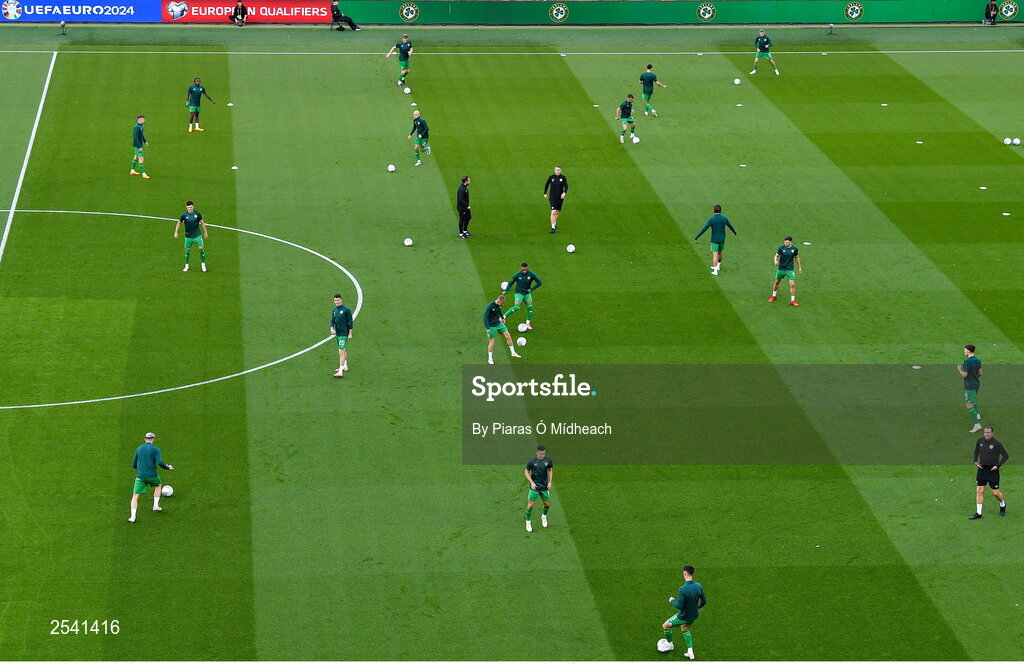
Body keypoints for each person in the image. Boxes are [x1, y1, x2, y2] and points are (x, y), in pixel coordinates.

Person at [658, 566, 706, 658]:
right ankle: (690, 652)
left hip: (683, 616)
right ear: (692, 573)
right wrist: (698, 607)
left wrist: (672, 600)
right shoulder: (698, 586)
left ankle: (669, 645)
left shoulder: (682, 589)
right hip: (694, 615)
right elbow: (704, 601)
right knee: (684, 628)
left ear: (685, 573)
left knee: (665, 626)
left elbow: (679, 606)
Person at [129, 433, 173, 523]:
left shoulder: (139, 449)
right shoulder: (155, 449)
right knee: (158, 485)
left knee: (135, 495)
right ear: (153, 439)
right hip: (153, 476)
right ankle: (155, 505)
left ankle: (132, 517)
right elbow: (160, 462)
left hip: (140, 477)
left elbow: (134, 465)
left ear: (145, 439)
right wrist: (168, 467)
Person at [969, 425, 1008, 519]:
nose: (987, 434)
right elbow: (976, 451)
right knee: (979, 490)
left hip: (992, 471)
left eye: (989, 432)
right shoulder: (980, 441)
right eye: (985, 432)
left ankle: (1002, 504)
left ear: (992, 433)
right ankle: (979, 513)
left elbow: (1006, 456)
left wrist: (997, 466)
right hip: (982, 469)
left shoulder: (997, 444)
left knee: (995, 493)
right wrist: (975, 461)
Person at [693, 205, 736, 275]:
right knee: (720, 253)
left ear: (714, 211)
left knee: (715, 255)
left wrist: (697, 237)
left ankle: (715, 270)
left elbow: (704, 228)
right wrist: (734, 232)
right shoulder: (724, 218)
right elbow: (730, 225)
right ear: (720, 210)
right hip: (722, 239)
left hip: (715, 240)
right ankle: (718, 266)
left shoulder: (712, 219)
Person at [503, 262, 542, 330]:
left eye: (525, 270)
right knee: (517, 307)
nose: (524, 271)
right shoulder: (517, 275)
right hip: (519, 293)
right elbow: (510, 283)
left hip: (527, 293)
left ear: (527, 268)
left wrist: (531, 289)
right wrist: (506, 290)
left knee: (530, 308)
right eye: (523, 270)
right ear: (521, 268)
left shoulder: (531, 274)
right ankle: (503, 317)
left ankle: (527, 323)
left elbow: (539, 282)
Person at [484, 294, 521, 365]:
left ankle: (513, 352)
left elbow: (499, 312)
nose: (503, 304)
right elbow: (485, 317)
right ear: (499, 301)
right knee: (492, 341)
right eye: (502, 303)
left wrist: (502, 317)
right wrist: (487, 328)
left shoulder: (499, 305)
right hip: (491, 326)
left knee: (508, 335)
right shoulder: (490, 306)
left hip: (498, 323)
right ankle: (490, 359)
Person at [524, 445, 553, 533]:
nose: (542, 456)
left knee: (547, 504)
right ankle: (528, 522)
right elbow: (526, 472)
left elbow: (550, 470)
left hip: (544, 486)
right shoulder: (532, 462)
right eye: (541, 454)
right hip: (534, 487)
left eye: (544, 454)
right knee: (530, 505)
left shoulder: (548, 461)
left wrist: (550, 481)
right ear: (537, 453)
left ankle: (544, 516)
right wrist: (532, 482)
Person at [173, 201, 209, 272]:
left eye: (191, 207)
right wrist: (176, 232)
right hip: (188, 236)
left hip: (197, 235)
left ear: (193, 207)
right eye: (188, 207)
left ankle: (203, 265)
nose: (190, 209)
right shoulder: (184, 215)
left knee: (201, 249)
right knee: (187, 251)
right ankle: (186, 265)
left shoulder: (197, 214)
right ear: (186, 207)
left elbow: (202, 223)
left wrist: (205, 232)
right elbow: (179, 223)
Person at [769, 236, 802, 306]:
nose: (785, 243)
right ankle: (774, 296)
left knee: (792, 284)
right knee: (777, 282)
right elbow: (776, 255)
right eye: (784, 242)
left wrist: (799, 267)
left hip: (790, 269)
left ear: (790, 242)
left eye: (786, 242)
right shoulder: (781, 248)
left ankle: (793, 300)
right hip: (781, 269)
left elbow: (797, 258)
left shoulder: (795, 249)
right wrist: (775, 260)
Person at [958, 344, 984, 433]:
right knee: (973, 401)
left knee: (969, 404)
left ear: (968, 351)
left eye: (965, 350)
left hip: (969, 385)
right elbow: (980, 373)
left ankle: (977, 425)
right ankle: (978, 416)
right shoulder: (978, 360)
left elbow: (964, 374)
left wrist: (959, 369)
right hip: (976, 384)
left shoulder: (967, 361)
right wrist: (974, 377)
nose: (964, 351)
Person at [330, 293, 354, 378]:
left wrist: (350, 333)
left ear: (341, 300)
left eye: (338, 300)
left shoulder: (346, 310)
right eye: (335, 300)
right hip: (338, 333)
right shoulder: (334, 311)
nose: (336, 302)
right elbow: (332, 321)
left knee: (340, 351)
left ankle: (340, 371)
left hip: (344, 333)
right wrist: (332, 328)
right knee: (343, 349)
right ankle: (345, 366)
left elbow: (350, 322)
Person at [543, 166, 568, 233]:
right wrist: (545, 193)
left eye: (558, 170)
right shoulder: (551, 177)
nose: (557, 171)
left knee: (557, 212)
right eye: (556, 170)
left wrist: (564, 193)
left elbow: (566, 186)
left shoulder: (563, 178)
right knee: (553, 211)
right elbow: (547, 185)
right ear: (554, 170)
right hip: (552, 197)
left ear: (561, 171)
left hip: (560, 198)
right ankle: (553, 227)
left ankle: (555, 223)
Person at [129, 115, 149, 179]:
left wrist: (145, 141)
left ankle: (132, 170)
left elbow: (141, 135)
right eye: (143, 119)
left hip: (138, 145)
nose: (144, 120)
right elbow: (135, 138)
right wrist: (139, 146)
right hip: (138, 146)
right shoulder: (137, 127)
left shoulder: (140, 126)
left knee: (136, 157)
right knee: (141, 158)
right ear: (139, 120)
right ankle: (143, 174)